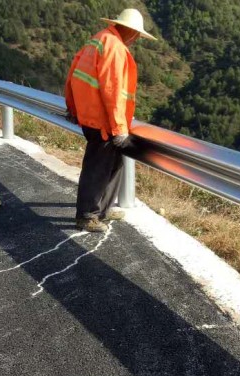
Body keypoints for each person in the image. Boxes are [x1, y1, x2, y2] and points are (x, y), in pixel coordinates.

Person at [64, 8, 156, 232]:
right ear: (132, 32)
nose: (136, 40)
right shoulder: (115, 48)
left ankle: (103, 209)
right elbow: (112, 91)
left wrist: (73, 108)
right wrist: (118, 129)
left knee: (113, 162)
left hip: (91, 117)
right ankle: (87, 216)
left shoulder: (98, 40)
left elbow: (72, 75)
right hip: (103, 121)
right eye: (136, 36)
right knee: (98, 167)